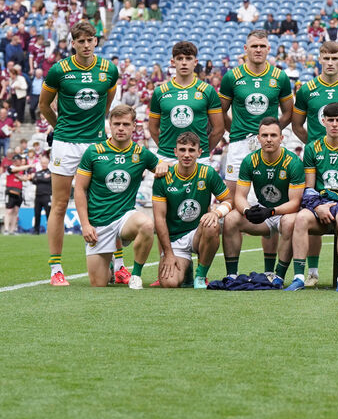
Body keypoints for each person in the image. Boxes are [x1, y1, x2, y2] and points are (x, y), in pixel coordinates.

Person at [38, 21, 120, 285]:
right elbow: (44, 105)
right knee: (60, 204)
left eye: (90, 40)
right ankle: (55, 269)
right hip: (65, 143)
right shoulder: (59, 70)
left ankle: (118, 264)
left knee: (107, 204)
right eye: (80, 41)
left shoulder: (109, 70)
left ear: (96, 41)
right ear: (72, 43)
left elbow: (107, 103)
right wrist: (58, 127)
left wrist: (96, 127)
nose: (86, 45)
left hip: (95, 144)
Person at [73, 106, 169, 288]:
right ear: (110, 125)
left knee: (147, 224)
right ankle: (110, 265)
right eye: (116, 124)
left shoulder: (140, 154)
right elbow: (79, 189)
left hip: (125, 218)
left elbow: (164, 167)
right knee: (99, 284)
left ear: (134, 126)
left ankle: (136, 275)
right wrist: (85, 225)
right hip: (99, 223)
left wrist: (163, 164)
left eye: (126, 124)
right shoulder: (94, 152)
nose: (121, 128)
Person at [284, 103, 338, 292]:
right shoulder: (313, 148)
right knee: (301, 218)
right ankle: (299, 277)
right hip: (319, 206)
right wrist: (317, 207)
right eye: (330, 120)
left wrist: (335, 207)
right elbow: (309, 188)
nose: (334, 124)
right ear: (323, 121)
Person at [221, 116, 305, 283]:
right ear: (258, 138)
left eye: (273, 135)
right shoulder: (249, 160)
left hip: (284, 213)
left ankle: (278, 276)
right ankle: (231, 275)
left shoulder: (293, 162)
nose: (268, 139)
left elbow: (295, 203)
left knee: (289, 223)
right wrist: (247, 210)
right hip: (263, 211)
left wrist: (272, 211)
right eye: (264, 135)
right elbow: (239, 196)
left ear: (281, 138)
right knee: (230, 219)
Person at [219, 29, 294, 206]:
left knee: (272, 199)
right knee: (232, 200)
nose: (258, 50)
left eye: (262, 46)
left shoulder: (280, 77)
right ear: (246, 48)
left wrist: (271, 132)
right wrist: (235, 130)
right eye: (254, 46)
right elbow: (220, 112)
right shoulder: (232, 77)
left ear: (269, 49)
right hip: (239, 143)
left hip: (269, 144)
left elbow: (289, 112)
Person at [151, 131, 230, 289]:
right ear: (175, 152)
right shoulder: (163, 178)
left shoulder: (207, 173)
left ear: (199, 153)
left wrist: (215, 213)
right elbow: (159, 219)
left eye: (191, 150)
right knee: (169, 283)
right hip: (175, 240)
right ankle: (186, 271)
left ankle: (200, 276)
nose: (187, 155)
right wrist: (168, 253)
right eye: (182, 150)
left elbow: (228, 200)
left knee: (212, 224)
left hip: (198, 233)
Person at [148, 41, 224, 165]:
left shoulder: (208, 90)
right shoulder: (160, 91)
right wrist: (166, 149)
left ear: (195, 62)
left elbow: (219, 129)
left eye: (188, 58)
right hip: (167, 158)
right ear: (173, 62)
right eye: (179, 58)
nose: (184, 62)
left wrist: (201, 151)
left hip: (200, 158)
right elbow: (153, 128)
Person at [292, 41, 338, 145]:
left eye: (335, 58)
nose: (330, 63)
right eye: (326, 58)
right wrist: (313, 146)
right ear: (320, 60)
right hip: (316, 158)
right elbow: (296, 126)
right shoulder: (306, 90)